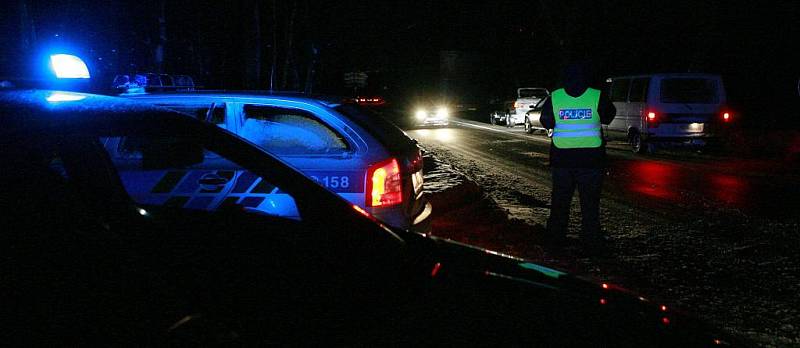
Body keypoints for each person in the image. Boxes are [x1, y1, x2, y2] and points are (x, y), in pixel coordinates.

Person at [539, 62, 616, 256]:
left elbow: (545, 120)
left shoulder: (555, 97)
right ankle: (591, 241)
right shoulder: (597, 96)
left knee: (560, 203)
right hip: (591, 161)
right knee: (590, 204)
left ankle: (555, 241)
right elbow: (608, 117)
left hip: (562, 160)